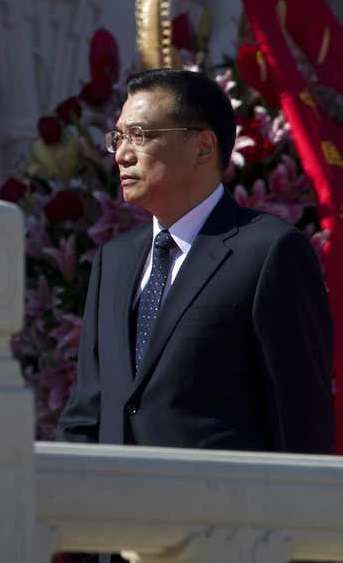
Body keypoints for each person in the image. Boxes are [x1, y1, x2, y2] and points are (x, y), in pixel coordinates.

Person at [58, 68, 334, 453]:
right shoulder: (114, 261)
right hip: (116, 505)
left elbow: (300, 421)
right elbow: (88, 410)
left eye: (139, 135)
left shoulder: (269, 252)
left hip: (223, 506)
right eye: (118, 137)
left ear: (203, 147)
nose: (121, 153)